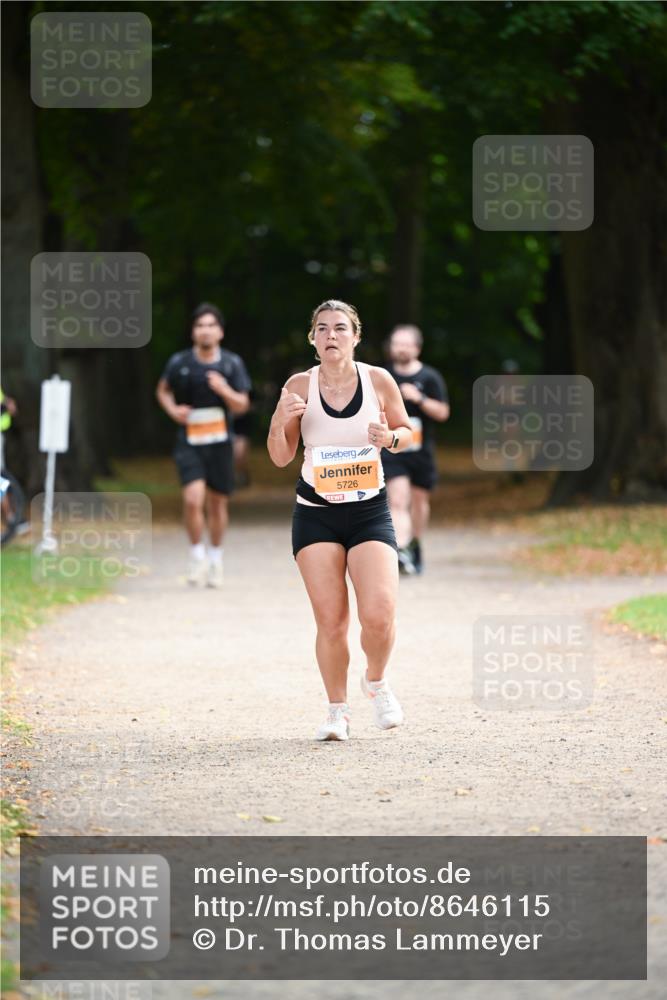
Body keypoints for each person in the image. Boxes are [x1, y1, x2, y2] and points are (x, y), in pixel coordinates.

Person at [267, 299, 414, 742]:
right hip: (316, 515)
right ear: (313, 338)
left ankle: (377, 681)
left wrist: (389, 438)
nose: (332, 335)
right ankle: (337, 712)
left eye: (341, 328)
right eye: (323, 328)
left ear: (356, 336)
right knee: (331, 621)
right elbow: (279, 457)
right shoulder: (299, 384)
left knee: (380, 615)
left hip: (368, 511)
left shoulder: (378, 380)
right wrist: (279, 418)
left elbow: (409, 433)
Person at [156, 303, 251, 587]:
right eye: (199, 326)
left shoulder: (231, 364)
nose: (205, 330)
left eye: (211, 325)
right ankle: (196, 554)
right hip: (190, 441)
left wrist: (224, 389)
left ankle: (216, 558)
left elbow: (243, 404)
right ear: (193, 332)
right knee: (192, 499)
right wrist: (173, 410)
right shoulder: (180, 362)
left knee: (217, 503)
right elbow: (162, 390)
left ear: (220, 332)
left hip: (221, 442)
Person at [382, 325, 450, 575]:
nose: (400, 348)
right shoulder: (383, 376)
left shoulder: (430, 377)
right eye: (396, 343)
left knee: (419, 503)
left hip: (421, 451)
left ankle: (415, 543)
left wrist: (419, 399)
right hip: (393, 449)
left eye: (406, 344)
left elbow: (443, 413)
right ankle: (401, 549)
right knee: (397, 500)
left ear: (417, 348)